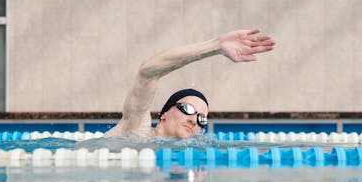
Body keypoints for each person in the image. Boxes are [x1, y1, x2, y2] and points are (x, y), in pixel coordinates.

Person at [104, 28, 275, 138]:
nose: (194, 120)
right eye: (188, 110)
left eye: (202, 118)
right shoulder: (137, 130)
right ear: (164, 114)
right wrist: (215, 46)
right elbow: (148, 72)